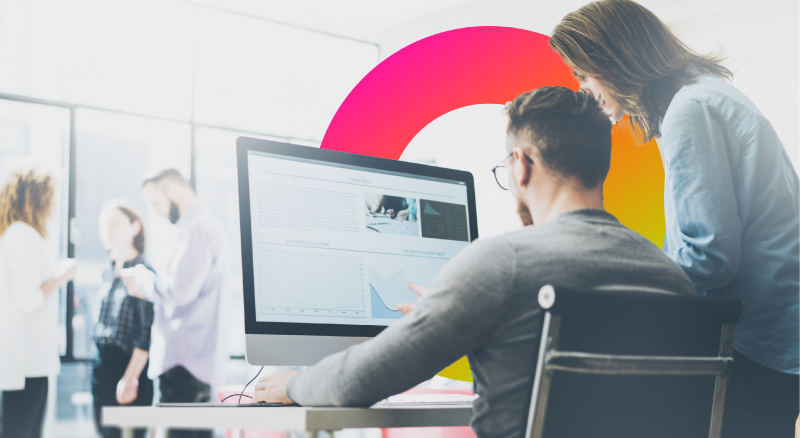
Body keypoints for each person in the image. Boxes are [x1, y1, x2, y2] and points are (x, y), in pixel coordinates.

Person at [252, 87, 696, 438]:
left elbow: (361, 380)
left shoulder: (504, 264)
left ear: (521, 165)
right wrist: (453, 305)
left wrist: (293, 384)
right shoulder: (670, 277)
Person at [548, 1, 799, 435]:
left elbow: (710, 257)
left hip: (756, 344)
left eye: (583, 74)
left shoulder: (690, 110)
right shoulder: (708, 94)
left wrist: (619, 281)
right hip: (776, 334)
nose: (585, 89)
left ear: (613, 58)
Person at [121, 169, 229, 438]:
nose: (156, 213)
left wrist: (142, 281)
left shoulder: (197, 229)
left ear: (175, 192)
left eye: (156, 203)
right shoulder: (199, 227)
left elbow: (180, 290)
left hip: (183, 364)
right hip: (191, 363)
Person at [0, 167, 76, 438]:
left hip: (19, 362)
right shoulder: (24, 235)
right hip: (27, 364)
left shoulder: (11, 234)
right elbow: (29, 298)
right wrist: (61, 276)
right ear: (37, 197)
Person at [92, 200, 155, 438]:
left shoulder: (143, 274)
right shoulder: (107, 273)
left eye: (114, 223)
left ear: (135, 227)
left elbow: (146, 332)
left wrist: (130, 377)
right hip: (101, 368)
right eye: (103, 224)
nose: (107, 230)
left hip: (129, 369)